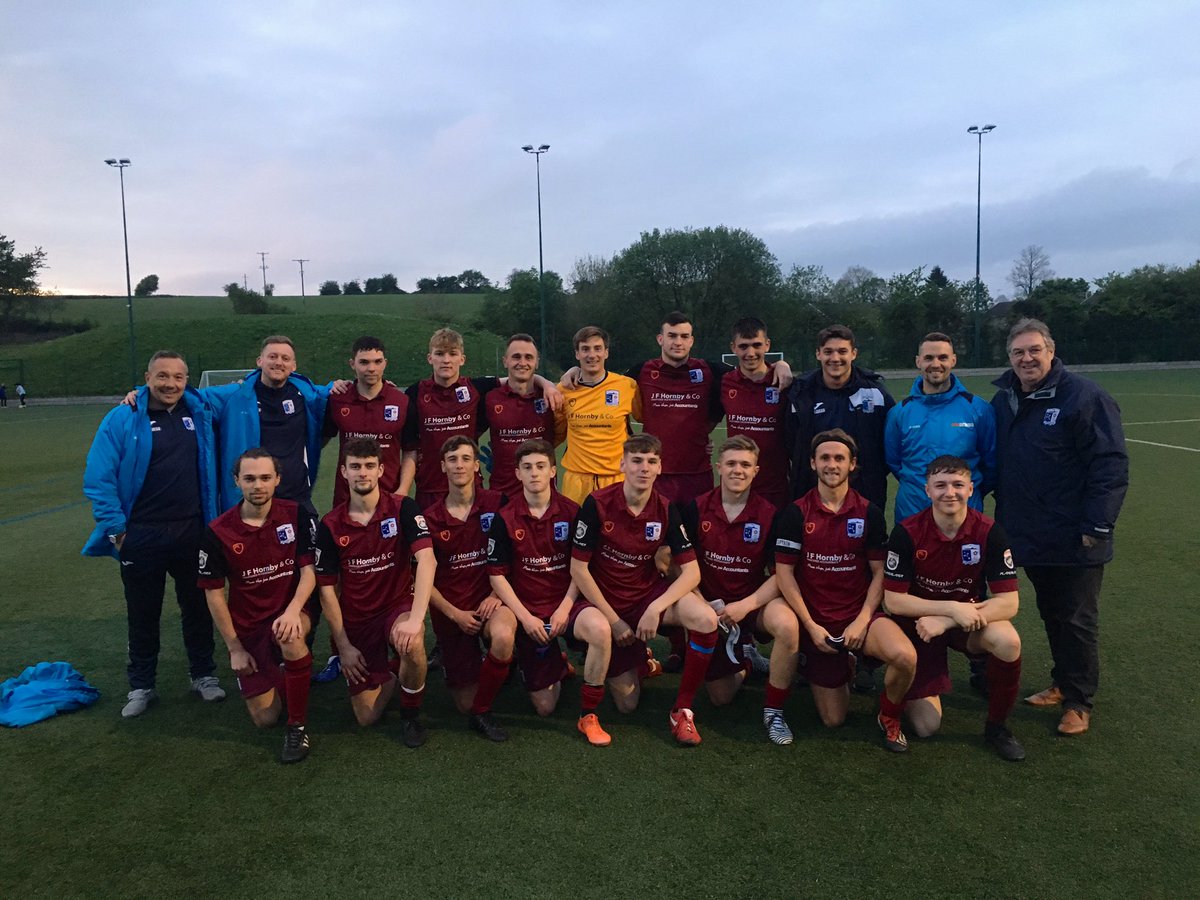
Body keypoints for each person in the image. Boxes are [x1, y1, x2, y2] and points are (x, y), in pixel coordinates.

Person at [991, 318, 1128, 736]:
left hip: (1076, 534)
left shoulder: (1084, 397)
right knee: (1051, 612)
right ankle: (1060, 681)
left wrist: (1098, 523)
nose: (1027, 358)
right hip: (1028, 532)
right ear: (1010, 358)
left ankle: (1078, 701)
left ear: (1051, 351)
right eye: (1018, 352)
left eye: (1035, 350)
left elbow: (1109, 464)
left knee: (1077, 617)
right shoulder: (1004, 400)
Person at [82, 351, 224, 717]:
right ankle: (142, 685)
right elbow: (99, 478)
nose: (170, 384)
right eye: (162, 376)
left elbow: (251, 390)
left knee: (197, 607)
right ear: (147, 377)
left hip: (193, 530)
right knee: (143, 612)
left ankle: (203, 675)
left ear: (187, 379)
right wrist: (117, 531)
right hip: (141, 534)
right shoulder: (123, 416)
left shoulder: (200, 411)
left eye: (178, 377)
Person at [568, 433, 720, 746]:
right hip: (605, 602)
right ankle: (631, 661)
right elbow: (579, 569)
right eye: (637, 460)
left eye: (651, 461)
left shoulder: (665, 508)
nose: (644, 467)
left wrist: (655, 607)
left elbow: (692, 573)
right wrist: (614, 621)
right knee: (627, 704)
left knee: (705, 619)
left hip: (645, 597)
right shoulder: (597, 504)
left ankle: (682, 709)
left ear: (660, 467)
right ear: (622, 464)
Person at [774, 429, 918, 751]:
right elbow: (784, 573)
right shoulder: (796, 512)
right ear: (812, 463)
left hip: (859, 617)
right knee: (833, 719)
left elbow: (880, 573)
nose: (832, 464)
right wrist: (810, 625)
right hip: (818, 623)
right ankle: (834, 663)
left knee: (905, 656)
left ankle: (889, 717)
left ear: (852, 464)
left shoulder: (869, 512)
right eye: (824, 457)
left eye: (840, 458)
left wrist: (863, 619)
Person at [883, 455, 1027, 761]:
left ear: (971, 489)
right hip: (919, 628)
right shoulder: (907, 532)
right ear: (927, 491)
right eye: (941, 485)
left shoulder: (989, 531)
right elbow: (893, 601)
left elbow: (1009, 603)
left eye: (958, 484)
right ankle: (905, 685)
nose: (950, 492)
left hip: (964, 622)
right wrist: (949, 608)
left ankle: (997, 727)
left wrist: (949, 619)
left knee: (1008, 640)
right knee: (925, 726)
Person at [678, 436, 801, 745]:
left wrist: (745, 606)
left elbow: (781, 575)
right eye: (731, 463)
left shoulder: (772, 514)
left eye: (745, 465)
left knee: (787, 625)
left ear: (756, 471)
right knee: (721, 696)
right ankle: (745, 657)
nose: (738, 470)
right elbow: (679, 566)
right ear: (718, 467)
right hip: (711, 607)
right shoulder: (696, 508)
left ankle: (774, 711)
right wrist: (700, 603)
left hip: (753, 605)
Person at [198, 449, 317, 763]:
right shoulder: (218, 532)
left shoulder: (296, 514)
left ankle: (298, 727)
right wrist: (235, 648)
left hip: (291, 613)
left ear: (277, 480)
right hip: (248, 628)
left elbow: (309, 573)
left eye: (265, 477)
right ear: (237, 481)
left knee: (289, 635)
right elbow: (213, 595)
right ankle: (288, 674)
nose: (258, 485)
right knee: (265, 720)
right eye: (249, 478)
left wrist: (293, 611)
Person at [314, 439, 435, 747]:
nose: (362, 473)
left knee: (412, 641)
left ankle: (411, 715)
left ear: (381, 470)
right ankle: (394, 674)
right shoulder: (330, 524)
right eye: (355, 467)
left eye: (369, 466)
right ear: (343, 472)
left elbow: (427, 559)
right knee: (366, 717)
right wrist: (343, 646)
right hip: (358, 621)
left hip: (397, 607)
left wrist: (416, 620)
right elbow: (326, 590)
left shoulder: (403, 507)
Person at [401, 327, 560, 511]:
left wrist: (547, 384)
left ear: (462, 359)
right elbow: (410, 448)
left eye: (452, 354)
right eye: (439, 354)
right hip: (430, 488)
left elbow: (519, 377)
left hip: (471, 488)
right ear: (430, 358)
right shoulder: (415, 393)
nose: (446, 360)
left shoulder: (476, 388)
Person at [423, 436, 515, 741]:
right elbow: (421, 579)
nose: (459, 465)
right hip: (454, 612)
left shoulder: (497, 502)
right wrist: (454, 614)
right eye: (452, 459)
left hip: (492, 602)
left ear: (477, 466)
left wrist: (494, 594)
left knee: (502, 635)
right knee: (463, 703)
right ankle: (478, 668)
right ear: (442, 467)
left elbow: (515, 555)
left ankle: (484, 711)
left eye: (465, 458)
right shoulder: (430, 518)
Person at [487, 439, 579, 718]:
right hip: (529, 610)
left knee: (598, 629)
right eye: (527, 467)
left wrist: (565, 607)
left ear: (553, 471)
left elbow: (582, 568)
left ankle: (613, 674)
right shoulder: (504, 517)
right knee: (544, 708)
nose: (534, 473)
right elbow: (498, 576)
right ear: (518, 474)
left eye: (541, 466)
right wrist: (525, 618)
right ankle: (554, 663)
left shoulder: (573, 512)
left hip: (567, 605)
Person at [885, 332, 996, 524]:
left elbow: (991, 463)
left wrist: (965, 491)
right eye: (928, 358)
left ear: (953, 360)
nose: (936, 364)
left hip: (964, 515)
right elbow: (894, 462)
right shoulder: (900, 412)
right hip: (912, 514)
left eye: (943, 357)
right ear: (918, 361)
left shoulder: (978, 409)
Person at [785, 325, 894, 509]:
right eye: (828, 351)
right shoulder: (801, 392)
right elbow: (790, 441)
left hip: (866, 490)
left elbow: (891, 441)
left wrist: (870, 471)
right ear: (818, 354)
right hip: (812, 488)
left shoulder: (874, 392)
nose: (835, 358)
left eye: (842, 351)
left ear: (854, 353)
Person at [555, 326, 642, 506]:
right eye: (585, 349)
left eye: (597, 348)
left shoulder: (627, 386)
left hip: (616, 478)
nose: (591, 355)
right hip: (577, 480)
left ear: (606, 352)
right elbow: (556, 434)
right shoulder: (563, 390)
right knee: (576, 532)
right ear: (577, 354)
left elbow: (648, 420)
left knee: (617, 533)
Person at [323, 336, 411, 507]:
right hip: (346, 498)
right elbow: (321, 439)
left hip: (389, 497)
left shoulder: (402, 401)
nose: (371, 368)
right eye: (364, 362)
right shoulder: (337, 399)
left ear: (385, 363)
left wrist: (403, 490)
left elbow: (410, 450)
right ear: (352, 364)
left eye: (377, 362)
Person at [721, 317, 793, 510]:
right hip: (736, 489)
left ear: (767, 345)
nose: (750, 353)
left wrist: (782, 364)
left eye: (757, 345)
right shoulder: (724, 382)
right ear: (733, 347)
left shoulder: (785, 383)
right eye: (743, 346)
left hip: (776, 490)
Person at [482, 334, 557, 502]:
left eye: (528, 357)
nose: (522, 363)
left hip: (544, 497)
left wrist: (547, 384)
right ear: (505, 361)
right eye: (516, 357)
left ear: (537, 362)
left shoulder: (551, 397)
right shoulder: (490, 398)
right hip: (502, 495)